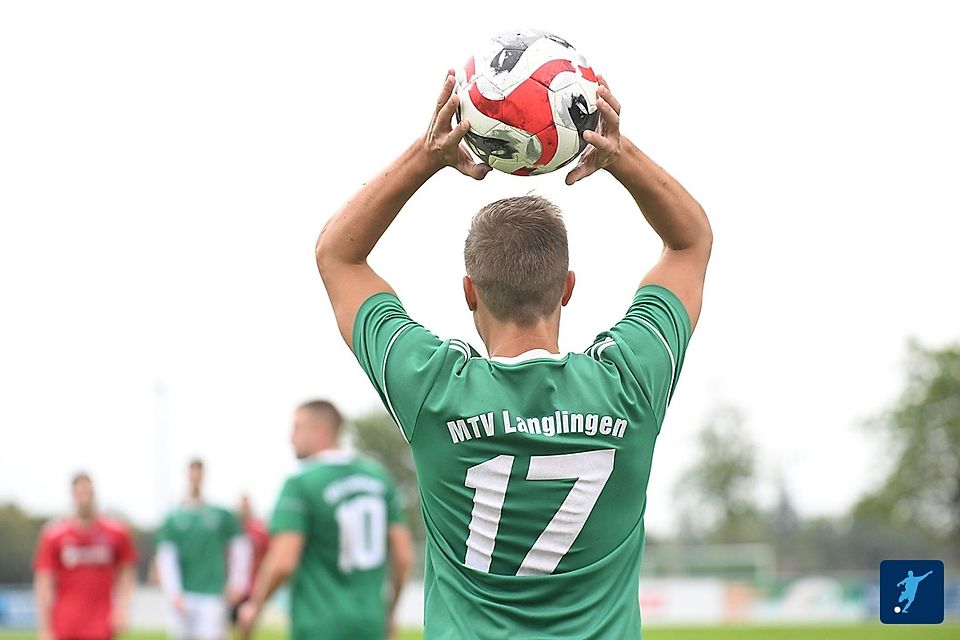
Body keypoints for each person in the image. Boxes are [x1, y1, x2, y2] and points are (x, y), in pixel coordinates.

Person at [314, 70, 712, 638]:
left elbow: (337, 255)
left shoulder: (432, 388)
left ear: (469, 292)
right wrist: (619, 154)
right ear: (567, 288)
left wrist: (428, 155)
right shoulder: (630, 384)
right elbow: (691, 241)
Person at [237, 400, 413, 640]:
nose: (291, 438)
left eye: (297, 428)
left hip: (319, 624)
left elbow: (283, 561)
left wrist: (254, 606)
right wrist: (390, 612)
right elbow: (403, 557)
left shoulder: (300, 483)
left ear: (320, 432)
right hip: (370, 623)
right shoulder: (380, 478)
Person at [155, 459, 252, 640]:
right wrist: (173, 591)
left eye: (198, 473)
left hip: (212, 593)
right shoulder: (174, 518)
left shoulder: (220, 515)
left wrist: (238, 583)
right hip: (185, 593)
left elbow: (241, 547)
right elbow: (166, 557)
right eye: (192, 473)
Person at [33, 472, 137, 640]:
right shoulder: (54, 535)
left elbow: (126, 573)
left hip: (101, 623)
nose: (85, 499)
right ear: (73, 496)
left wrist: (123, 609)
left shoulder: (116, 533)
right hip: (65, 624)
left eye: (88, 493)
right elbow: (44, 581)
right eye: (80, 494)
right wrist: (44, 627)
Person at [230, 495, 269, 640]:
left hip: (252, 586)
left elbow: (268, 556)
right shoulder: (231, 531)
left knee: (246, 623)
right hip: (233, 585)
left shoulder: (259, 531)